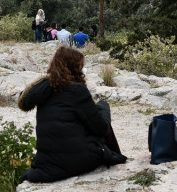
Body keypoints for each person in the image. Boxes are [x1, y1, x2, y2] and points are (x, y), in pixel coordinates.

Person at [17, 47, 125, 182]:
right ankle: (114, 155)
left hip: (47, 161)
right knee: (103, 106)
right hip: (77, 160)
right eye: (81, 67)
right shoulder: (77, 90)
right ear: (74, 67)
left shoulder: (46, 90)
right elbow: (101, 129)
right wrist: (103, 109)